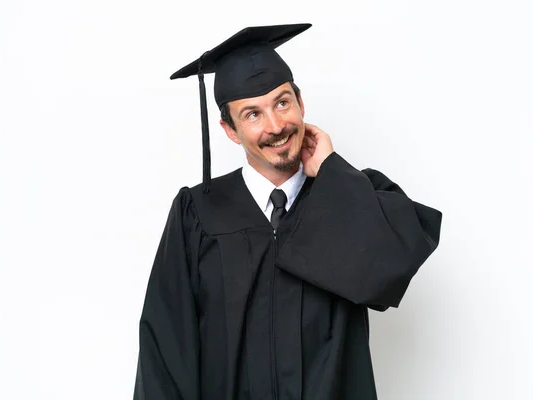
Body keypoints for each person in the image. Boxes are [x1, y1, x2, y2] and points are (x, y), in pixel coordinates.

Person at [133, 23, 442, 400]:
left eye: (282, 103)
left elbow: (392, 267)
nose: (276, 126)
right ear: (230, 130)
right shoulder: (196, 214)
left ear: (301, 102)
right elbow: (165, 351)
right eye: (252, 114)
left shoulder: (352, 193)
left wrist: (332, 172)